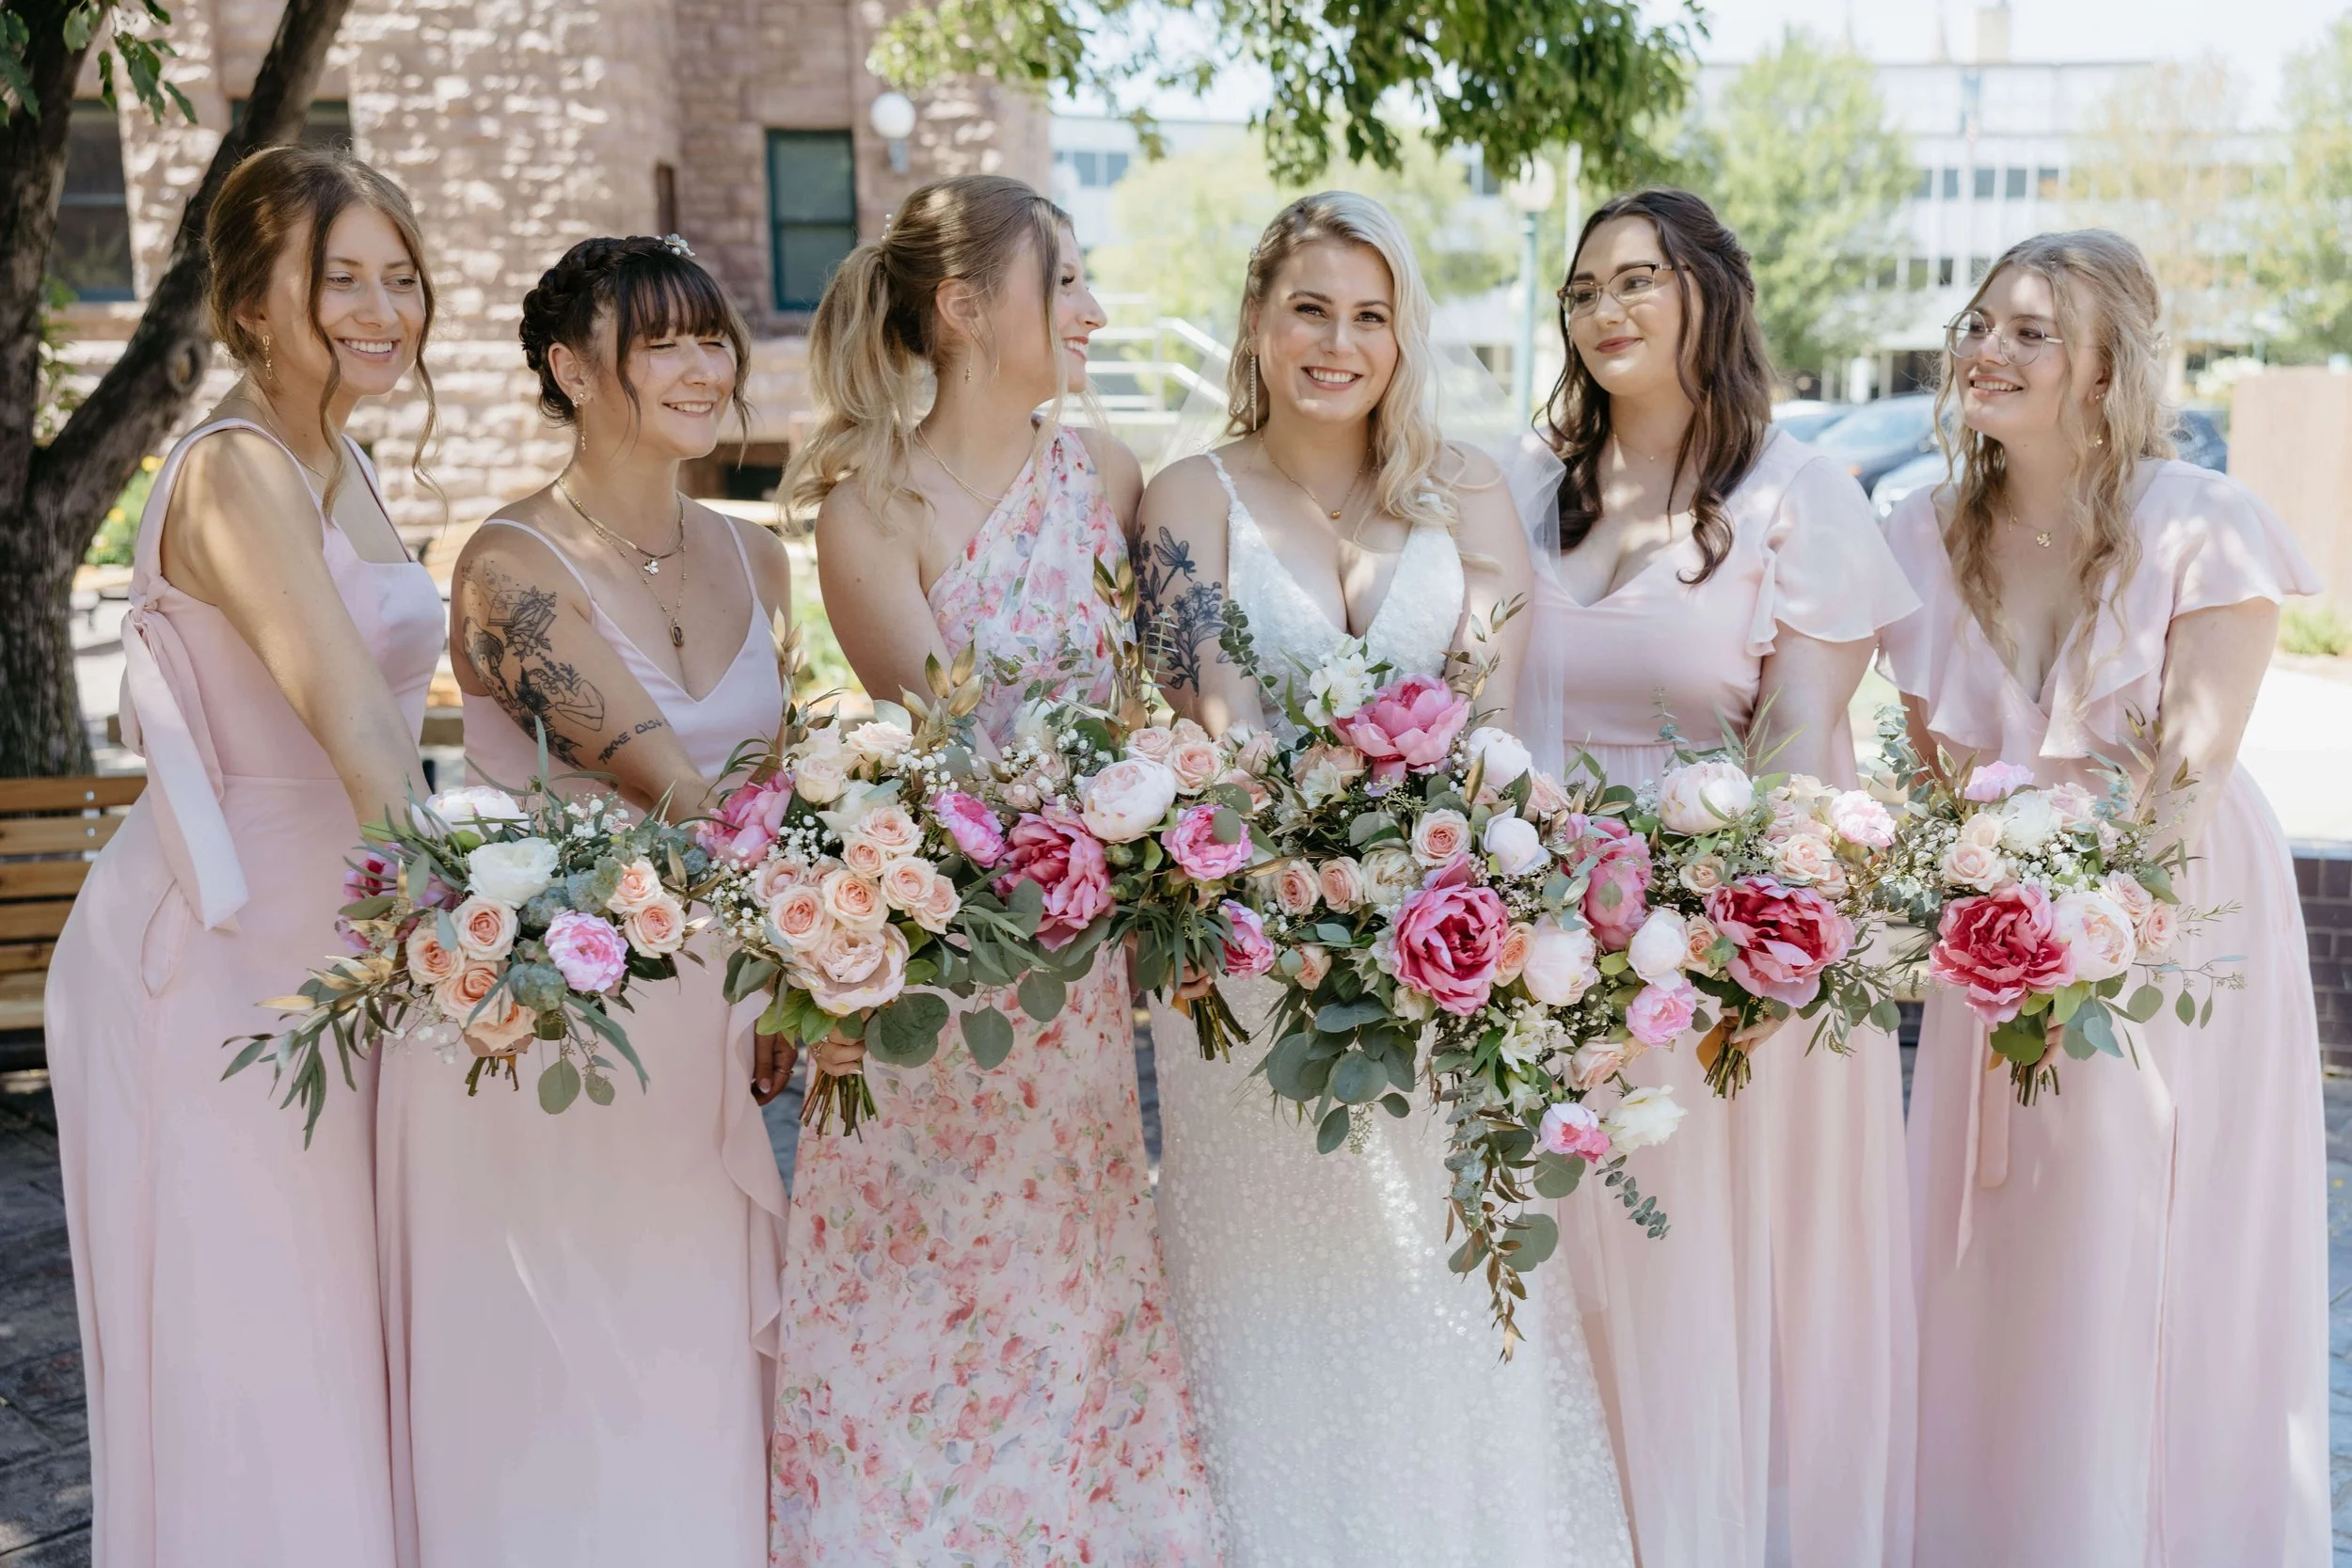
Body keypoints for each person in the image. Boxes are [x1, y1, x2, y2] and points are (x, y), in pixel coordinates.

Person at [1136, 190, 1634, 1567]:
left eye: (1370, 314)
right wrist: (1317, 866)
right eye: (1310, 309)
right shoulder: (1189, 496)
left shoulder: (1466, 490)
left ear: (1403, 334)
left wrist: (1424, 889)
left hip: (1440, 947)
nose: (1338, 342)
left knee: (1438, 1295)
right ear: (1257, 318)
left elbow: (1484, 716)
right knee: (1270, 1301)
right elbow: (1211, 728)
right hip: (1260, 958)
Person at [767, 174, 1216, 1564]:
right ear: (966, 309)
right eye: (1064, 282)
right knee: (921, 1296)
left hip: (1073, 985)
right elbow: (957, 758)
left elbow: (1165, 706)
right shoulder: (869, 508)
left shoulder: (1118, 479)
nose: (1091, 311)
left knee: (1072, 1281)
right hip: (938, 976)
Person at [1888, 230, 2328, 1567]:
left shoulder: (2204, 522)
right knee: (2003, 1249)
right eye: (1979, 322)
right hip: (1998, 918)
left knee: (2137, 1233)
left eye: (2030, 331)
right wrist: (1975, 898)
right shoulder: (1919, 531)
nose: (1988, 348)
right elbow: (1936, 779)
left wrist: (2082, 914)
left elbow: (2184, 771)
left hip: (2171, 917)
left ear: (2101, 370)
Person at [375, 235, 801, 1567]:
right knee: (561, 1384)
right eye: (660, 339)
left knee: (689, 1370)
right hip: (559, 1028)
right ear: (570, 366)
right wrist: (811, 931)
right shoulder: (506, 561)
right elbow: (673, 785)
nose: (698, 366)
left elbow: (780, 788)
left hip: (708, 1037)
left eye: (709, 337)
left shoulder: (761, 560)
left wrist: (789, 976)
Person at [44, 144, 441, 1567]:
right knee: (258, 1337)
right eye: (342, 277)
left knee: (350, 1319)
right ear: (254, 299)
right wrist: (488, 920)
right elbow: (360, 736)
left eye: (402, 277)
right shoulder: (232, 472)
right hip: (219, 956)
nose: (383, 307)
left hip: (345, 930)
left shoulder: (348, 461)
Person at [1512, 188, 1920, 1568]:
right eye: (1583, 289)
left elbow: (1802, 738)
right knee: (1573, 1281)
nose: (1605, 308)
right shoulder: (1526, 484)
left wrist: (1703, 917)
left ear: (1711, 297)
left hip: (1711, 947)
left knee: (1698, 1277)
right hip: (1536, 940)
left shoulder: (1797, 492)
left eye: (1639, 278)